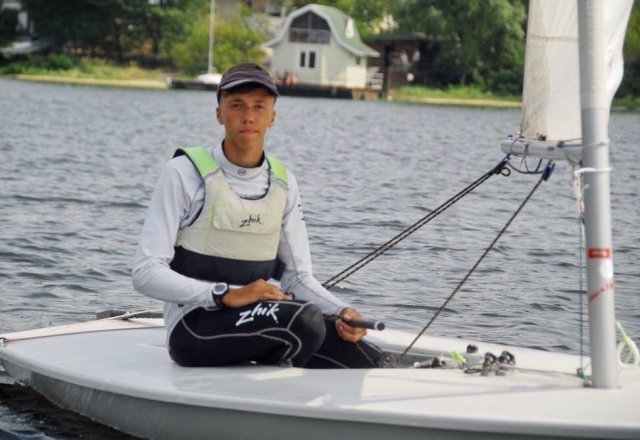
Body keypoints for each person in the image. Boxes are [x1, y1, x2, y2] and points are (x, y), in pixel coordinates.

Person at [132, 62, 384, 368]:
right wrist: (224, 294)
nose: (248, 116)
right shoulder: (183, 173)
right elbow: (145, 272)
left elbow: (297, 278)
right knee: (305, 321)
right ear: (219, 114)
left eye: (259, 106)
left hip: (262, 319)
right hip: (193, 326)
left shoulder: (284, 183)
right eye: (237, 105)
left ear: (272, 117)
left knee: (367, 358)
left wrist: (343, 311)